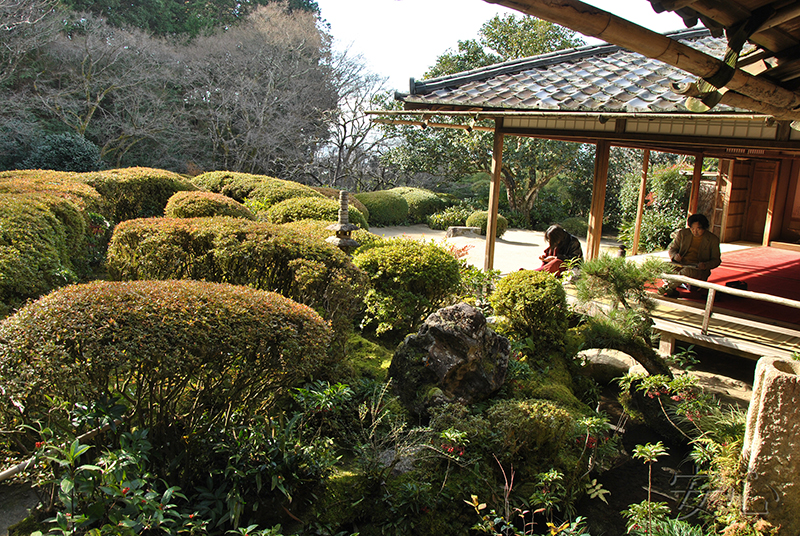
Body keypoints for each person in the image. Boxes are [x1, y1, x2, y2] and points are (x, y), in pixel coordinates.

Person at [663, 213, 721, 297]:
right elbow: (673, 249)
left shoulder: (712, 239)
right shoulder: (683, 234)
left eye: (698, 229)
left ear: (704, 228)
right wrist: (675, 255)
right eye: (692, 228)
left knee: (687, 271)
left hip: (697, 268)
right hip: (681, 264)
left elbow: (716, 260)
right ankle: (673, 286)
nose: (695, 231)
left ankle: (668, 287)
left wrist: (705, 265)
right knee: (662, 266)